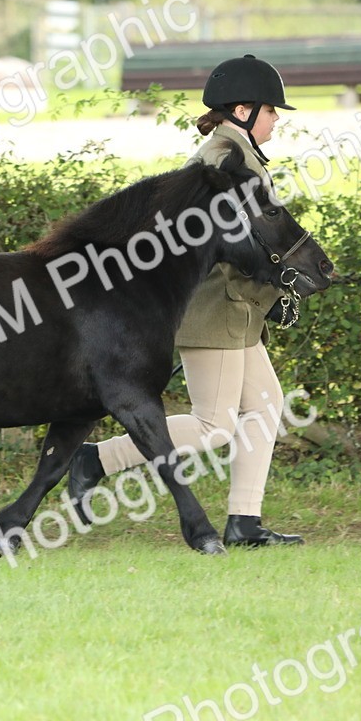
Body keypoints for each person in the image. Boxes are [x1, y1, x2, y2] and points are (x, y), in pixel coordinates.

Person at [67, 54, 306, 552]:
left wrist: (270, 297)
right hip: (213, 311)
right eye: (271, 110)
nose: (277, 118)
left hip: (235, 309)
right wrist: (268, 296)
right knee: (213, 425)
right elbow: (227, 252)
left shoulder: (236, 156)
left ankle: (244, 522)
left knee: (265, 405)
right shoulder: (222, 162)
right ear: (243, 109)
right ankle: (94, 461)